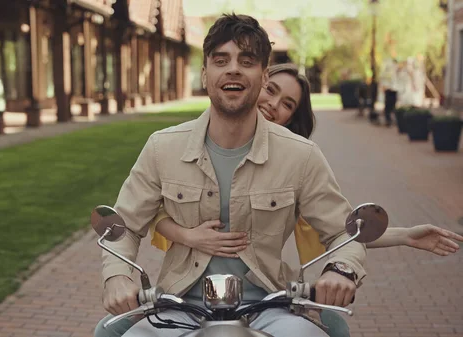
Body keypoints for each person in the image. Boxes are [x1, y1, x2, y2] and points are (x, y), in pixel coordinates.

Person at [94, 63, 463, 337]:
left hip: (267, 298)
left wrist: (392, 243)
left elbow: (342, 228)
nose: (273, 105)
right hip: (181, 297)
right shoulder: (173, 147)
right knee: (107, 331)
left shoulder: (297, 164)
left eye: (287, 104)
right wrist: (173, 246)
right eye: (271, 91)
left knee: (332, 326)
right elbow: (138, 218)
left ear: (291, 118)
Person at [99, 14, 366, 337]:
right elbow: (123, 226)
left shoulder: (301, 155)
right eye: (220, 60)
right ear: (205, 73)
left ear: (263, 74)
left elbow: (344, 232)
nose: (233, 69)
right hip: (178, 306)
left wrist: (340, 270)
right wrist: (117, 276)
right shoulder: (162, 147)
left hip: (269, 307)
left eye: (247, 60)